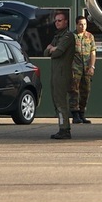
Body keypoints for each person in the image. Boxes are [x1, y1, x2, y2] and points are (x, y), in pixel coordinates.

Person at [44, 11, 76, 140]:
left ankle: (64, 129)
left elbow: (58, 52)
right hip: (56, 73)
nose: (57, 23)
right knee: (56, 101)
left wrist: (53, 49)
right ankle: (62, 127)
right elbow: (46, 52)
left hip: (62, 73)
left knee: (61, 102)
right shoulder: (57, 37)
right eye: (56, 21)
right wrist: (51, 49)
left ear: (66, 21)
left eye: (60, 20)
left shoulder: (68, 36)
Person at [69, 15, 96, 125]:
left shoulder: (90, 36)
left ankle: (82, 113)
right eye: (80, 24)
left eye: (85, 24)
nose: (83, 26)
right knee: (74, 91)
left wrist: (92, 66)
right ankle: (75, 114)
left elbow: (93, 52)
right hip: (75, 68)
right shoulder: (72, 36)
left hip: (87, 68)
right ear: (76, 25)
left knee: (86, 91)